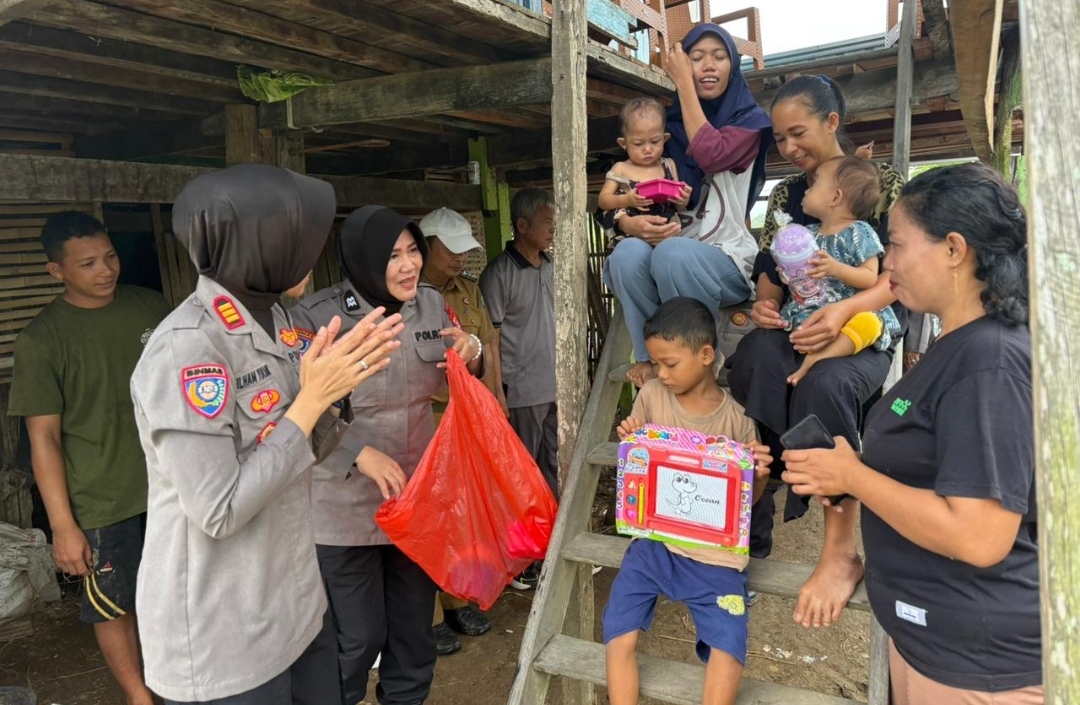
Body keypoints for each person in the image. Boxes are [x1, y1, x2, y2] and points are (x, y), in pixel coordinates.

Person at [130, 164, 402, 705]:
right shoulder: (187, 349)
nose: (309, 254)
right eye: (296, 239)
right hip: (225, 633)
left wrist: (338, 392)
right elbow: (220, 509)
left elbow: (302, 441)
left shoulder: (278, 320)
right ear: (258, 243)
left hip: (295, 605)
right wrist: (312, 401)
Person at [783, 164, 1042, 705]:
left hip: (975, 664)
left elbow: (979, 536)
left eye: (898, 245)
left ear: (954, 249)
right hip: (937, 641)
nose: (888, 263)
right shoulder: (960, 342)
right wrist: (847, 471)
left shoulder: (989, 361)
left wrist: (853, 475)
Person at [726, 74, 905, 630]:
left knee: (825, 385)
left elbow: (897, 274)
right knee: (754, 357)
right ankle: (757, 510)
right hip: (800, 323)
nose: (788, 147)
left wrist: (842, 311)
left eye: (797, 132)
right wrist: (765, 303)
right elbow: (769, 267)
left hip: (862, 328)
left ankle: (840, 550)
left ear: (831, 122)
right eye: (779, 138)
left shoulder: (884, 184)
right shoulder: (787, 195)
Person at [293, 205, 483, 705]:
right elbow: (294, 413)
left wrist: (472, 349)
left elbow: (461, 367)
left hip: (415, 501)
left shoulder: (430, 304)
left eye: (413, 251)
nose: (408, 265)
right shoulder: (316, 319)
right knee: (355, 639)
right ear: (362, 258)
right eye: (393, 256)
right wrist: (358, 454)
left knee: (413, 636)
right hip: (343, 511)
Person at [7, 212, 171, 705]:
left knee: (176, 591)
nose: (106, 270)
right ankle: (139, 696)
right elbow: (44, 439)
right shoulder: (42, 339)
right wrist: (63, 525)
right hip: (101, 499)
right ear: (56, 270)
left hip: (171, 484)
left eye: (110, 256)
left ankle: (181, 680)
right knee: (113, 604)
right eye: (88, 264)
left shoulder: (151, 307)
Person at [603, 297, 772, 705]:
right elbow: (638, 471)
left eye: (670, 364)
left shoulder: (738, 419)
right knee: (617, 632)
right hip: (655, 546)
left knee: (728, 646)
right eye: (655, 364)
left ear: (706, 355)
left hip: (716, 558)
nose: (660, 373)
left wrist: (761, 475)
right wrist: (632, 439)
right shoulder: (652, 397)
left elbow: (745, 505)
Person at [597, 23, 772, 386]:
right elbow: (617, 198)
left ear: (733, 66)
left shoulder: (749, 122)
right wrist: (628, 223)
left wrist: (683, 84)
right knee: (627, 255)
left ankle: (697, 362)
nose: (708, 65)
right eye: (697, 57)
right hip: (669, 250)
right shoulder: (663, 133)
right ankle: (650, 356)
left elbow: (710, 153)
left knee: (673, 254)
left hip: (726, 257)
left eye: (719, 57)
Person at [417, 207, 496, 654]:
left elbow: (487, 350)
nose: (461, 258)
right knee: (432, 514)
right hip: (424, 419)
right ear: (426, 247)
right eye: (451, 250)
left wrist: (495, 401)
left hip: (464, 415)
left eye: (465, 251)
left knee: (464, 512)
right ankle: (428, 616)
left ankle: (458, 600)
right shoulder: (406, 297)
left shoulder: (468, 291)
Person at [479, 188, 557, 592]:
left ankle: (552, 548)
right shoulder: (498, 274)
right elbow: (489, 338)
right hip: (522, 390)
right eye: (546, 222)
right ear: (522, 225)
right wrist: (498, 393)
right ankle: (522, 559)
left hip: (556, 387)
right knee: (522, 477)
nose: (552, 229)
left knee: (554, 468)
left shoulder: (551, 265)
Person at [777, 156, 902, 386]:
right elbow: (803, 279)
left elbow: (869, 277)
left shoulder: (860, 232)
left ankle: (818, 357)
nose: (807, 190)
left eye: (815, 184)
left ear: (835, 197)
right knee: (795, 326)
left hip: (851, 314)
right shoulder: (806, 234)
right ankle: (812, 348)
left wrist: (836, 269)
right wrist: (789, 273)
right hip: (814, 309)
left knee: (869, 323)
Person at [596, 97, 691, 223]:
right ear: (623, 143)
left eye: (654, 141)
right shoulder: (621, 168)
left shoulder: (668, 165)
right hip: (632, 231)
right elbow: (603, 200)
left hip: (667, 229)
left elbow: (678, 205)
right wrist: (626, 200)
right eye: (638, 144)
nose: (647, 149)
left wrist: (683, 200)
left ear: (664, 139)